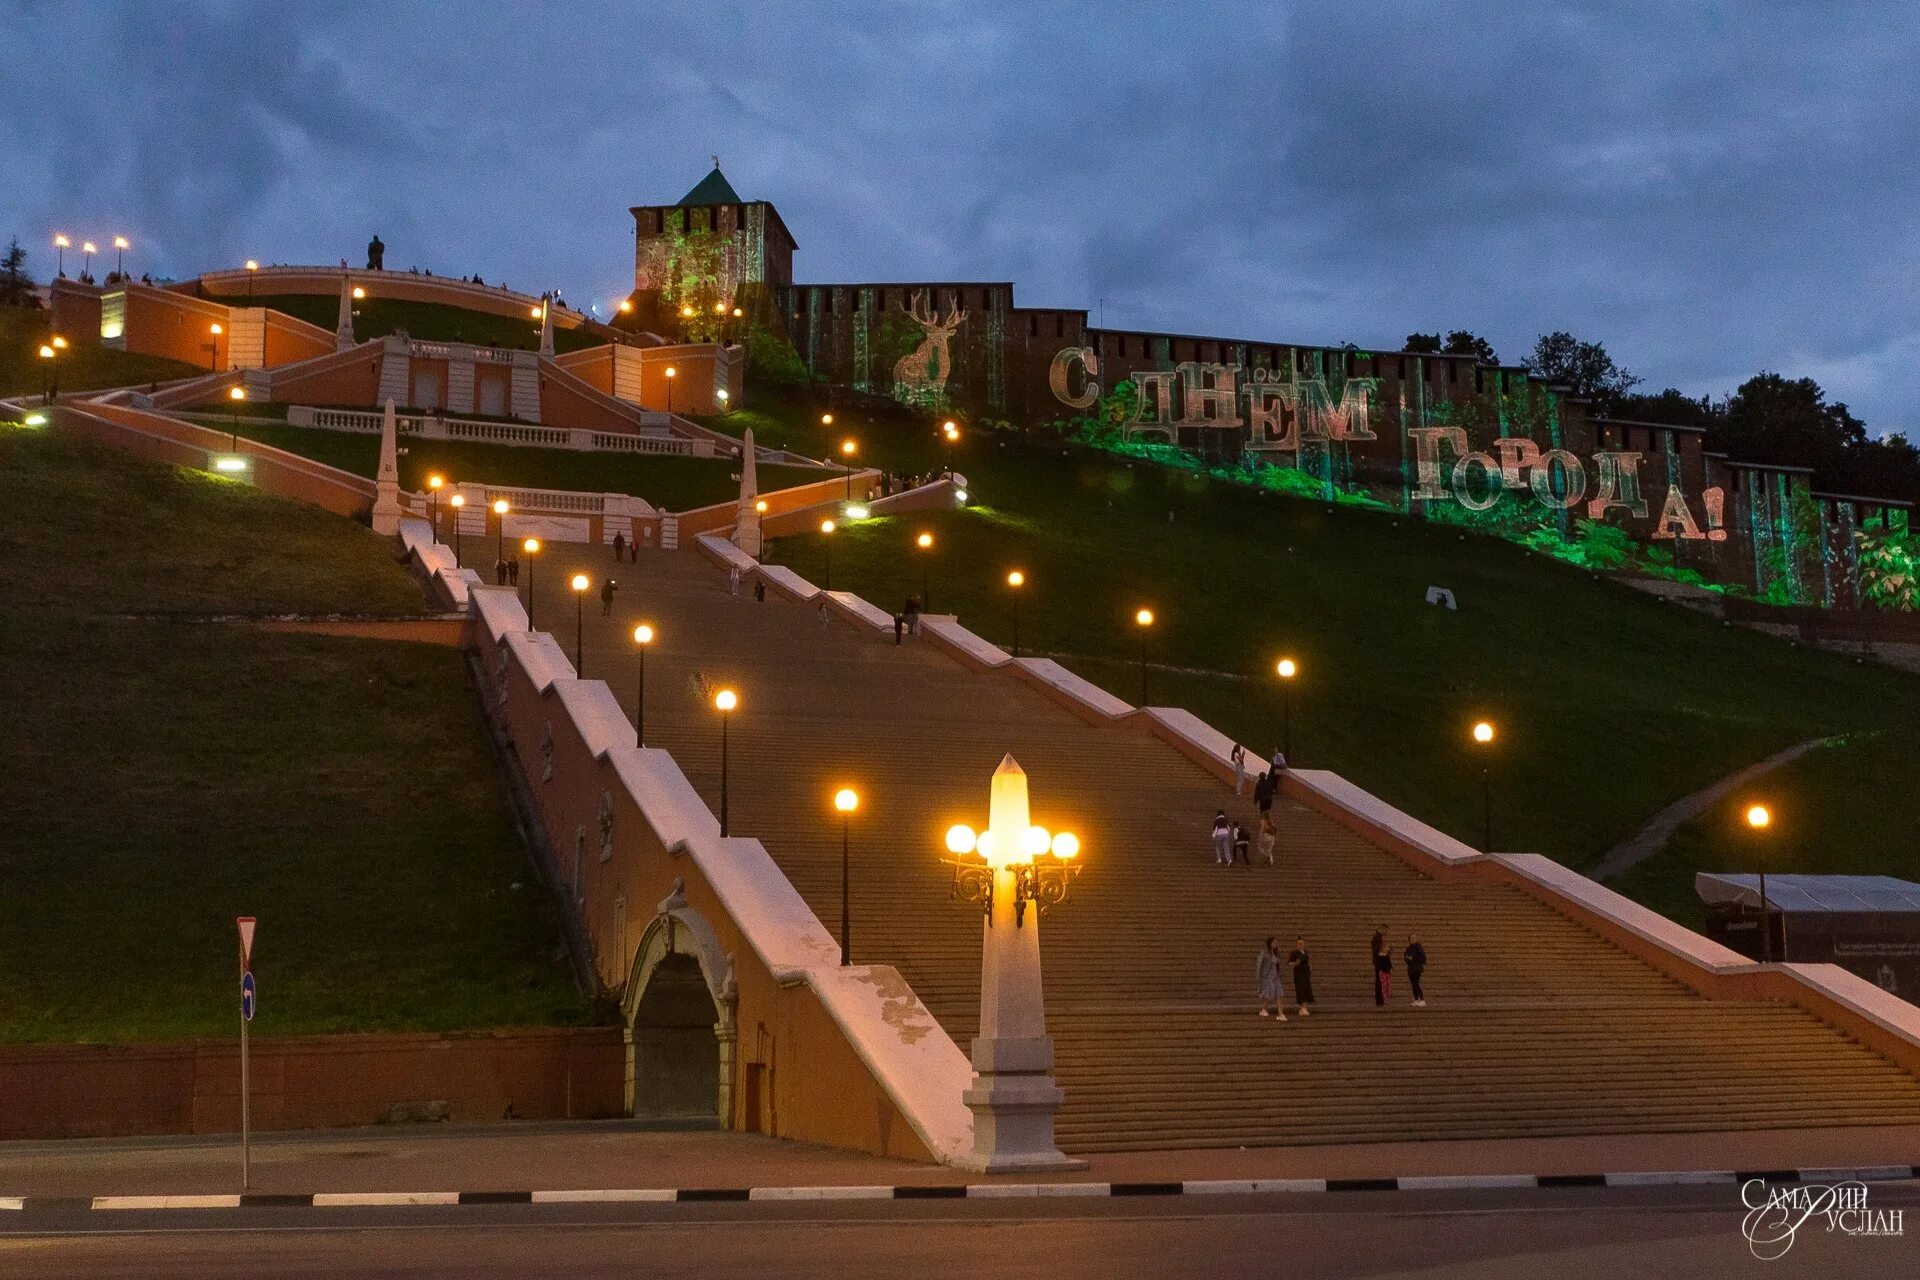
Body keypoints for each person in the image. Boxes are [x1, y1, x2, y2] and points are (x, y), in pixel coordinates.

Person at [1257, 937, 1288, 1020]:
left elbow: (1278, 965)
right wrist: (1259, 976)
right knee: (1267, 995)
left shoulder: (1276, 954)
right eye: (1274, 942)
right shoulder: (1264, 952)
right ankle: (1263, 1009)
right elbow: (1259, 964)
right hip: (1268, 977)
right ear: (1269, 943)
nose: (1275, 944)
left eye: (1276, 942)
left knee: (1279, 995)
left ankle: (1280, 1014)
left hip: (1276, 977)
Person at [1288, 937, 1314, 1017]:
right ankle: (1302, 1008)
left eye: (1302, 943)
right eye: (1299, 943)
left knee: (1307, 989)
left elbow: (1308, 960)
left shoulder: (1305, 951)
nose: (1301, 945)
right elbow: (1289, 963)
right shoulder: (1294, 952)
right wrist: (1295, 963)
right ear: (1296, 944)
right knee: (1300, 989)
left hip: (1306, 973)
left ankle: (1304, 1008)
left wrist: (1310, 966)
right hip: (1298, 973)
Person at [1404, 934, 1428, 1008]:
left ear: (1417, 939)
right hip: (1411, 968)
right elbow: (1405, 957)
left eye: (1414, 938)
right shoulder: (1408, 948)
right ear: (1409, 939)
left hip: (1417, 968)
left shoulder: (1419, 948)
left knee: (1416, 983)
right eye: (1411, 938)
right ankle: (1416, 999)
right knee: (1413, 984)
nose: (1413, 939)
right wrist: (1408, 959)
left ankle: (1422, 999)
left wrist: (1413, 959)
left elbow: (1423, 959)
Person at [1371, 926, 1392, 1008]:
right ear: (1382, 929)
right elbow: (1378, 951)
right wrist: (1385, 950)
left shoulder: (1378, 938)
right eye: (1386, 931)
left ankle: (1381, 1000)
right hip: (1379, 963)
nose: (1386, 933)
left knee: (1379, 982)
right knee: (1379, 983)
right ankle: (1380, 1001)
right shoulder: (1377, 938)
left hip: (1379, 962)